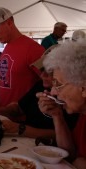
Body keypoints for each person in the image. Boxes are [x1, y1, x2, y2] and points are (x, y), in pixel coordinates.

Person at [0, 45, 78, 137]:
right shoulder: (39, 86)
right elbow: (19, 108)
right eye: (41, 70)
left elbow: (68, 135)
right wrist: (0, 110)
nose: (42, 75)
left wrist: (20, 128)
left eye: (49, 72)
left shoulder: (71, 97)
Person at [37, 40, 86, 169]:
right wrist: (57, 115)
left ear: (84, 88)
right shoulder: (83, 114)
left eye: (58, 84)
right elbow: (70, 155)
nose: (53, 91)